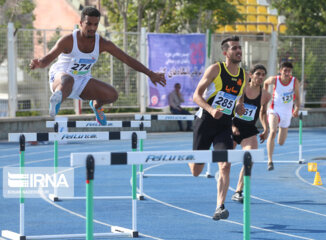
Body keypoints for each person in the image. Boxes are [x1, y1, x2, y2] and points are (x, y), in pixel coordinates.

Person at [29, 7, 166, 125]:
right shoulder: (68, 41)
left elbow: (127, 59)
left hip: (82, 80)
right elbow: (48, 59)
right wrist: (39, 63)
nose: (92, 28)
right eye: (89, 24)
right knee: (68, 80)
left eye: (95, 24)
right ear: (81, 23)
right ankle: (57, 99)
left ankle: (96, 106)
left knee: (112, 95)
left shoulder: (102, 43)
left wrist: (150, 73)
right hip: (60, 78)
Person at [189, 36, 246, 220]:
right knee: (196, 171)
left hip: (224, 124)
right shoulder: (215, 69)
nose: (239, 51)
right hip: (205, 121)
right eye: (234, 48)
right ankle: (191, 157)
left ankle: (219, 207)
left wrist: (239, 107)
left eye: (240, 48)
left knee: (225, 164)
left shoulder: (243, 75)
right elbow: (196, 96)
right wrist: (211, 109)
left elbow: (238, 99)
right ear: (225, 53)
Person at [230, 64, 271, 203]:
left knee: (250, 158)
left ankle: (238, 191)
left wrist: (266, 129)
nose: (260, 77)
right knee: (224, 162)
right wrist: (232, 126)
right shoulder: (241, 88)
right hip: (233, 126)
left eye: (263, 74)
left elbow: (263, 112)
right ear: (251, 75)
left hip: (248, 130)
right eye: (258, 74)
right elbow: (230, 107)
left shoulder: (265, 95)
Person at [263, 62, 300, 171]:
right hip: (275, 110)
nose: (287, 73)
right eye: (285, 70)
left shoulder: (294, 81)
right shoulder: (275, 80)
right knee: (273, 132)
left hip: (287, 113)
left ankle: (280, 129)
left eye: (289, 71)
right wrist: (266, 96)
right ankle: (270, 161)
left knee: (281, 142)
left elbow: (297, 97)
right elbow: (265, 82)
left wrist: (297, 108)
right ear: (280, 71)